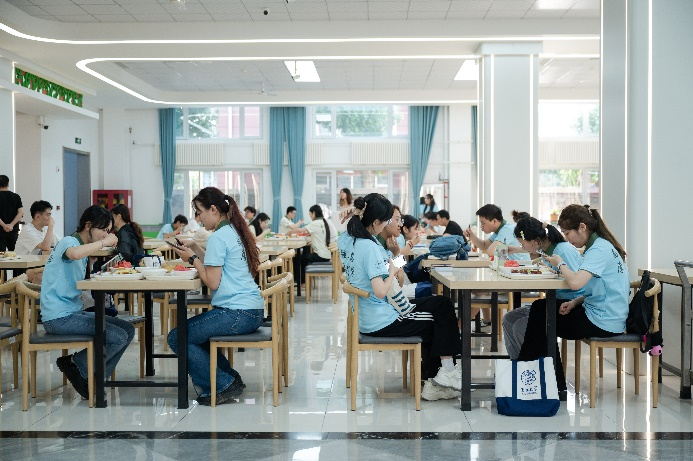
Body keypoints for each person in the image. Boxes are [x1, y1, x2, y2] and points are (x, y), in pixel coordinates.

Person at [338, 193, 463, 401]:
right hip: (382, 319)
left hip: (371, 314)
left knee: (442, 304)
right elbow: (383, 288)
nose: (394, 223)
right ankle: (440, 378)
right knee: (437, 320)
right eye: (390, 219)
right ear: (376, 222)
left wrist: (396, 256)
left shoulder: (347, 239)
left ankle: (440, 377)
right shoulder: (370, 246)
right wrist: (395, 265)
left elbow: (393, 274)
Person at [505, 205, 630, 392]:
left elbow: (576, 284)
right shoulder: (600, 246)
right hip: (603, 314)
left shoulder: (598, 250)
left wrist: (560, 263)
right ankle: (543, 380)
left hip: (603, 321)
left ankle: (539, 379)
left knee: (541, 314)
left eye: (567, 233)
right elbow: (597, 289)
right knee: (541, 310)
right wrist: (574, 302)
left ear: (582, 227)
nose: (567, 238)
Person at [168, 187, 263, 406]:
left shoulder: (218, 238)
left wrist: (192, 259)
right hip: (251, 310)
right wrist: (195, 248)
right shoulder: (232, 231)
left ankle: (222, 383)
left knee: (177, 337)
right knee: (194, 335)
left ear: (213, 209)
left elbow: (212, 282)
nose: (198, 218)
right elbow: (216, 265)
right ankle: (228, 378)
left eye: (199, 212)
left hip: (237, 313)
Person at [41, 205, 135, 400]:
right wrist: (103, 243)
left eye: (108, 231)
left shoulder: (81, 247)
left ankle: (95, 378)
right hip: (58, 318)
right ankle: (75, 364)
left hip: (73, 311)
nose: (105, 235)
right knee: (117, 337)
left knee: (128, 329)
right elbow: (74, 254)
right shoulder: (69, 242)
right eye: (103, 230)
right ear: (88, 225)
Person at [502, 216, 584, 362]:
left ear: (534, 241)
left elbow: (577, 282)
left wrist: (555, 273)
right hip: (554, 301)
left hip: (571, 304)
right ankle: (518, 365)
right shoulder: (547, 250)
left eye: (523, 244)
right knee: (509, 318)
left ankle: (534, 366)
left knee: (521, 326)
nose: (523, 248)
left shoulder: (562, 251)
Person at [288, 204, 336, 278]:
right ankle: (302, 280)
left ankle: (301, 281)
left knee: (298, 259)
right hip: (326, 254)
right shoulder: (323, 221)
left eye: (310, 214)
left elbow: (300, 230)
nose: (310, 216)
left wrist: (290, 232)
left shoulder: (316, 223)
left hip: (321, 256)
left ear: (314, 213)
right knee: (303, 256)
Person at [0, 175, 23, 252]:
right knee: (14, 254)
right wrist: (11, 225)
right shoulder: (16, 196)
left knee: (0, 255)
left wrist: (4, 225)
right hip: (13, 230)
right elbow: (20, 213)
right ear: (8, 183)